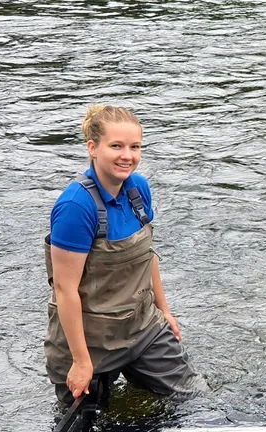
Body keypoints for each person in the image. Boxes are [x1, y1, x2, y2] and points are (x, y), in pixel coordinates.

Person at [45, 105, 206, 406]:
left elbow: (147, 255)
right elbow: (65, 290)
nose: (127, 156)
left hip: (143, 329)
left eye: (135, 147)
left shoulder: (138, 189)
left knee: (198, 401)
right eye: (116, 146)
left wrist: (164, 311)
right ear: (93, 148)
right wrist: (81, 362)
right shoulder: (75, 208)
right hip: (89, 342)